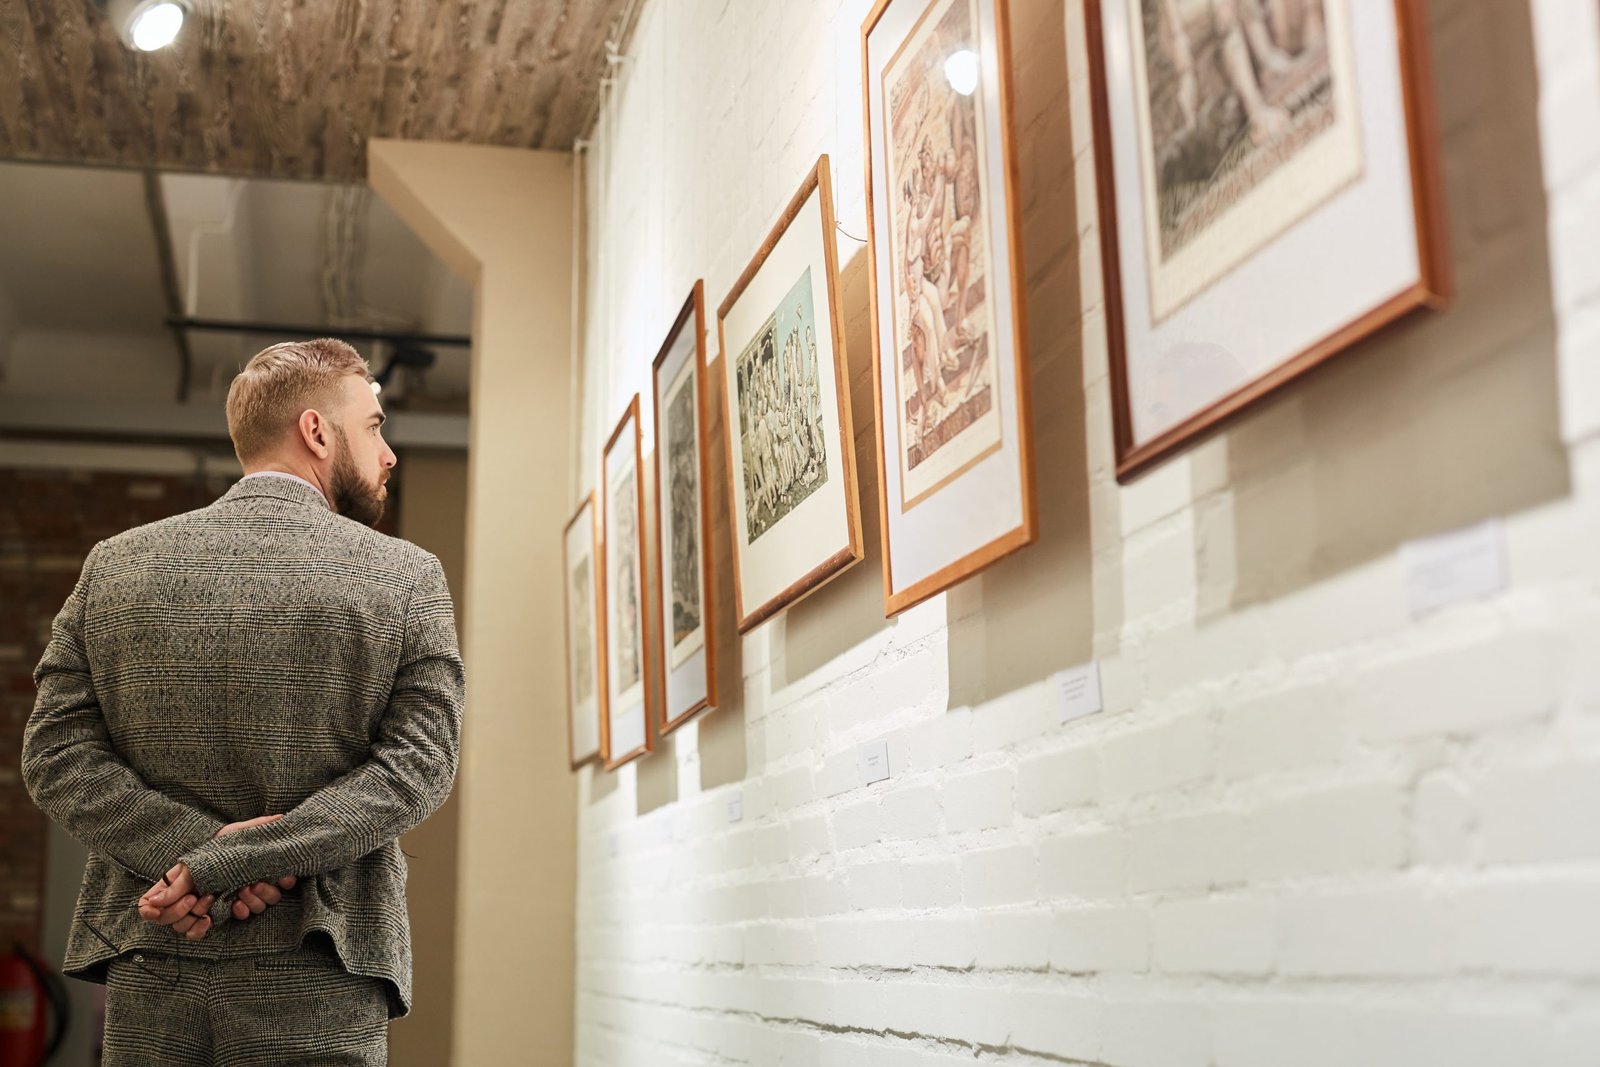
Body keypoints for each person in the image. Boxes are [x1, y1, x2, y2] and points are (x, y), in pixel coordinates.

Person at [21, 338, 465, 1065]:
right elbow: (419, 767)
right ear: (316, 431)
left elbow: (54, 755)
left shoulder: (115, 566)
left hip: (155, 954)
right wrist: (232, 861)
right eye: (374, 427)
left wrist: (194, 860)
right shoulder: (407, 576)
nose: (387, 454)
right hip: (323, 963)